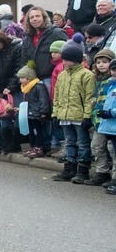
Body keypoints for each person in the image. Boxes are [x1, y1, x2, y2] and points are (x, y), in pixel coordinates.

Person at [51, 35, 96, 183]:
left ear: (74, 60)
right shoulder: (62, 75)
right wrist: (55, 113)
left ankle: (83, 170)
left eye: (66, 59)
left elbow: (89, 97)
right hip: (65, 114)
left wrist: (87, 116)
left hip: (79, 116)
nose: (63, 62)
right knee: (69, 142)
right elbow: (58, 95)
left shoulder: (86, 75)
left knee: (82, 143)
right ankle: (69, 168)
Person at [0, 31, 22, 154]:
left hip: (15, 87)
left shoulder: (16, 47)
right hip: (0, 88)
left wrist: (11, 86)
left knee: (16, 116)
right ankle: (5, 144)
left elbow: (18, 69)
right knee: (3, 117)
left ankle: (15, 144)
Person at [85, 49, 115, 186]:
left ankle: (114, 176)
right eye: (98, 62)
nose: (101, 65)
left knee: (111, 148)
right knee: (97, 146)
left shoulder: (112, 81)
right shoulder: (96, 80)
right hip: (99, 120)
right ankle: (101, 172)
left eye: (105, 62)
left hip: (111, 121)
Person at [21, 6, 69, 89]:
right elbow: (25, 59)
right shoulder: (27, 39)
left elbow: (66, 54)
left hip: (52, 77)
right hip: (34, 80)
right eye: (31, 17)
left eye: (37, 16)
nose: (34, 19)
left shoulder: (56, 33)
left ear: (44, 17)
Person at [17, 66, 51, 158]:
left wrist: (44, 112)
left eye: (22, 78)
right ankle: (33, 147)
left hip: (37, 114)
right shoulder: (26, 87)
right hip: (29, 114)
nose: (20, 80)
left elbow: (43, 99)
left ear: (29, 78)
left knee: (38, 132)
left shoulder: (38, 86)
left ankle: (39, 148)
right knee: (31, 132)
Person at [94, 56, 116, 194]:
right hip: (111, 127)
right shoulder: (111, 85)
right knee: (113, 153)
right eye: (113, 70)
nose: (114, 73)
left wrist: (110, 113)